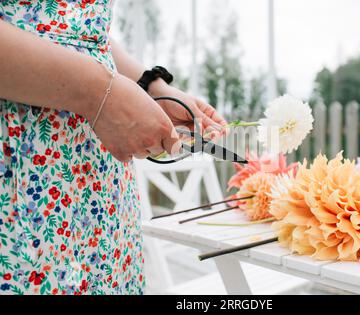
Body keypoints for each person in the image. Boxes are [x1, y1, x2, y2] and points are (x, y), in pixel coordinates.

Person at [0, 0, 226, 295]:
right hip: (25, 176)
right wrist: (99, 95)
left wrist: (151, 87)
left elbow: (80, 26)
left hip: (106, 194)